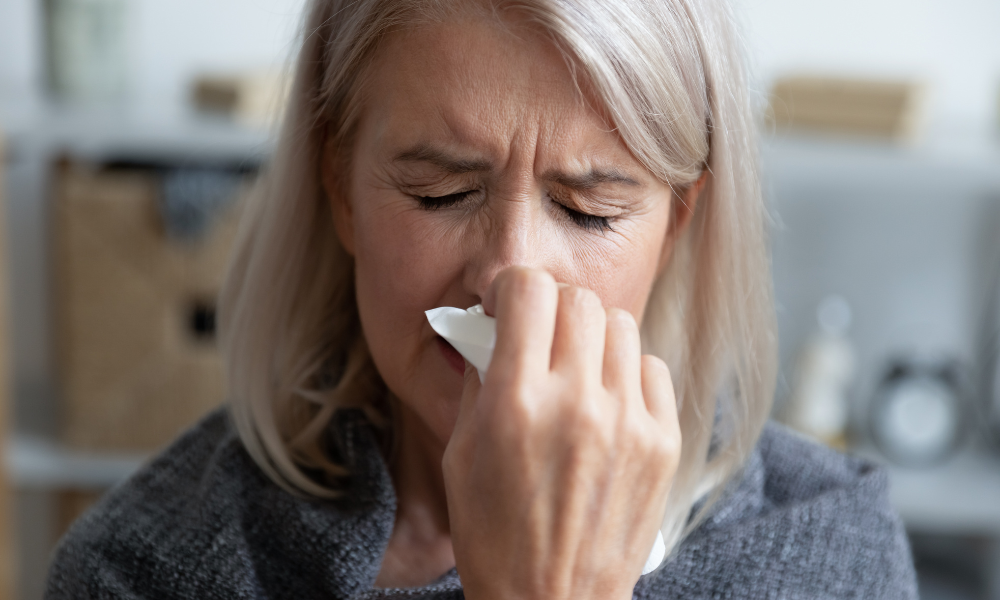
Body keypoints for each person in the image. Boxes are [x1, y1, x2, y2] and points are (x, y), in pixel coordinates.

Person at [45, 0, 918, 598]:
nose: (511, 276)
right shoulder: (145, 570)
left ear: (676, 224)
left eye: (589, 208)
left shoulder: (826, 550)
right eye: (439, 194)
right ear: (340, 188)